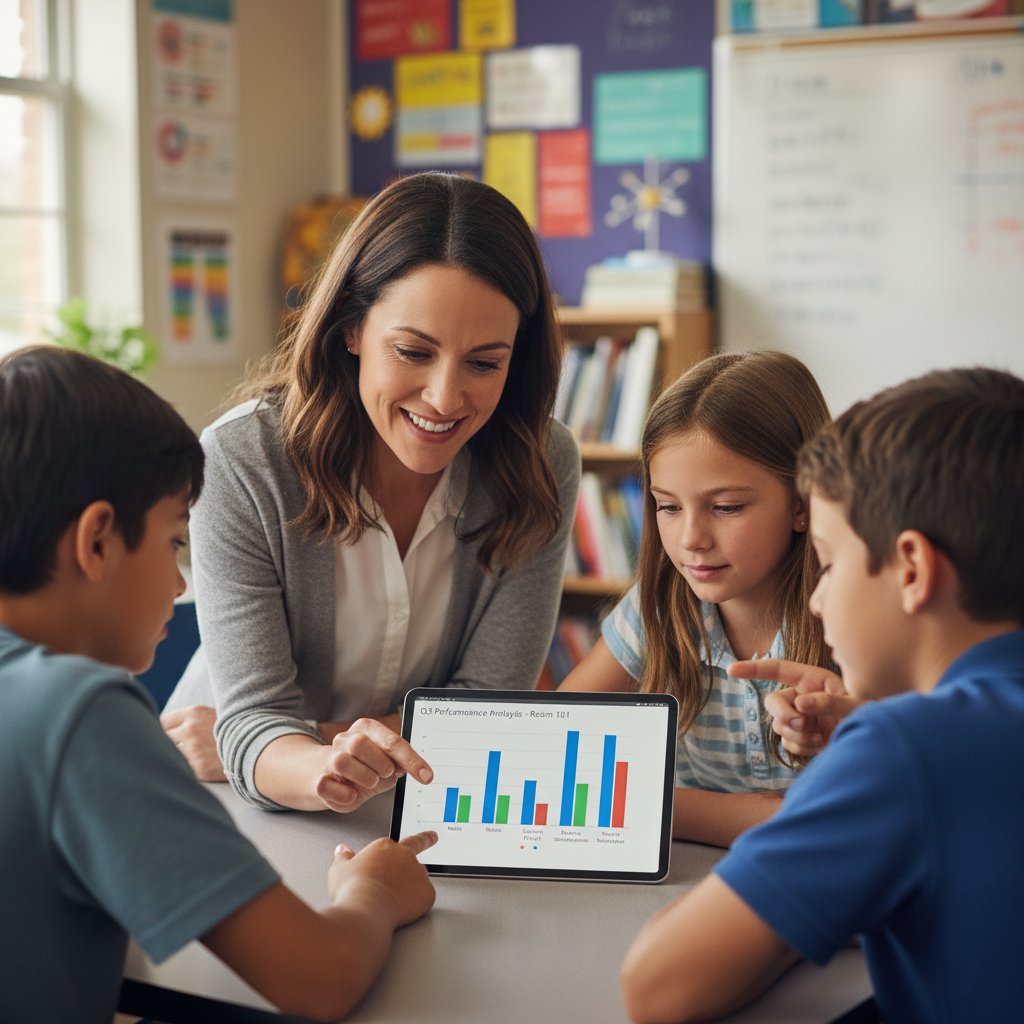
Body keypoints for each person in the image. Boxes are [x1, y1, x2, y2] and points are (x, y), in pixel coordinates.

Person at [0, 346, 438, 1024]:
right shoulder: (80, 715)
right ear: (97, 541)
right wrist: (373, 890)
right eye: (176, 541)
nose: (181, 585)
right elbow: (318, 979)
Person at [163, 170, 580, 812]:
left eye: (484, 363)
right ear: (352, 328)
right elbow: (253, 724)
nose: (445, 398)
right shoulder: (243, 461)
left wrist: (322, 738)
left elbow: (491, 709)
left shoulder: (541, 462)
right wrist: (313, 756)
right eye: (413, 351)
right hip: (237, 796)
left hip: (422, 798)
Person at [621, 366, 1024, 1024]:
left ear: (914, 570)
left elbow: (656, 986)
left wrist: (858, 766)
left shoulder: (903, 752)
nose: (815, 595)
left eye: (831, 564)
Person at [560, 351, 832, 847]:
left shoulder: (851, 615)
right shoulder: (659, 609)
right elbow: (552, 742)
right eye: (667, 506)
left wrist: (658, 806)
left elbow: (855, 817)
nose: (691, 539)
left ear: (801, 502)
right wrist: (743, 817)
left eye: (726, 507)